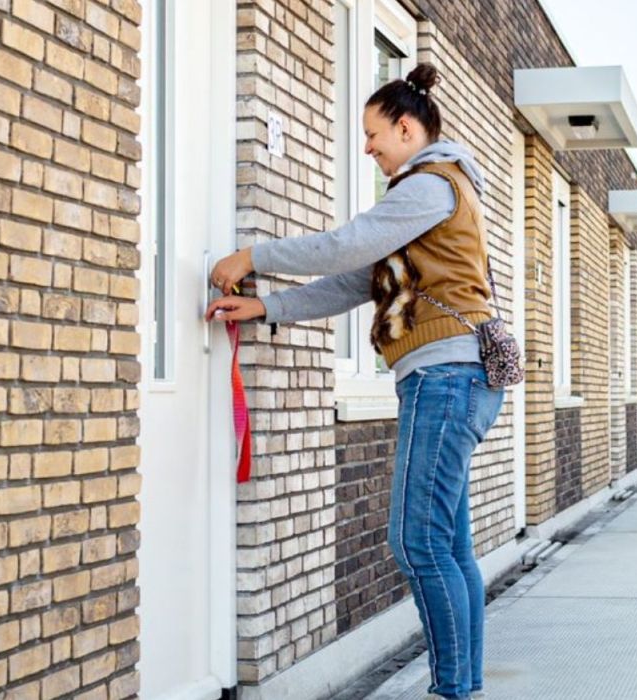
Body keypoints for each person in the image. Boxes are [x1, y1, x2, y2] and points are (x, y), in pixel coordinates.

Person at [205, 63, 501, 700]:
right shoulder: (425, 193)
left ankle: (453, 691)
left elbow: (344, 246)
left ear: (404, 126)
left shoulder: (430, 184)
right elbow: (356, 278)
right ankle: (464, 686)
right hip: (454, 376)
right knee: (447, 543)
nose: (366, 148)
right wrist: (268, 307)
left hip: (446, 375)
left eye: (372, 135)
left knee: (416, 541)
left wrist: (252, 257)